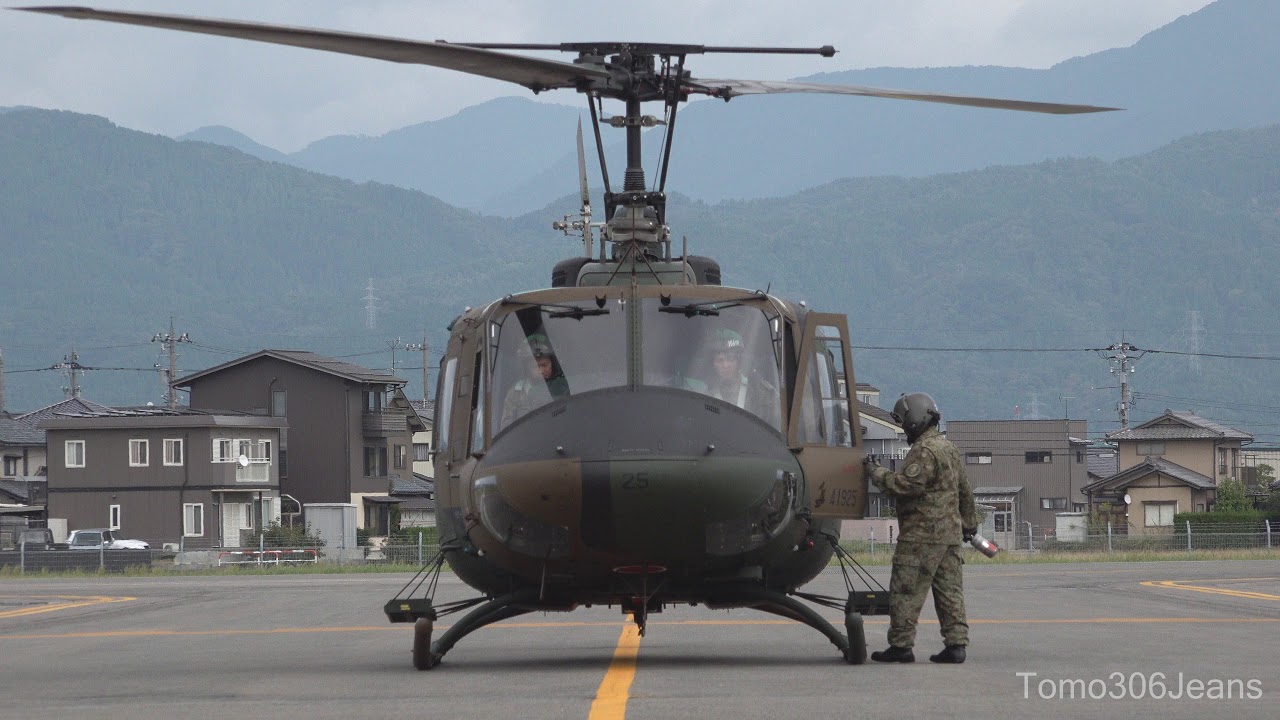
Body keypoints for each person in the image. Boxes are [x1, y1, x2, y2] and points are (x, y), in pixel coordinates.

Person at [863, 392, 980, 664]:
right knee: (950, 592)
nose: (904, 428)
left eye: (904, 422)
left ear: (914, 419)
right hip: (950, 537)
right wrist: (969, 525)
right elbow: (965, 491)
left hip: (921, 537)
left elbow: (907, 486)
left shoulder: (924, 450)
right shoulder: (948, 448)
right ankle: (956, 644)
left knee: (905, 590)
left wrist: (876, 472)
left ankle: (901, 645)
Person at [684, 328, 776, 421]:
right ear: (712, 364)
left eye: (730, 358)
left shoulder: (759, 390)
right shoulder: (702, 393)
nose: (725, 365)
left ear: (739, 360)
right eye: (719, 360)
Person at [500, 333, 569, 427]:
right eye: (535, 366)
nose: (541, 371)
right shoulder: (516, 393)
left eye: (544, 365)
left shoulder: (564, 387)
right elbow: (507, 427)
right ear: (526, 369)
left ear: (553, 364)